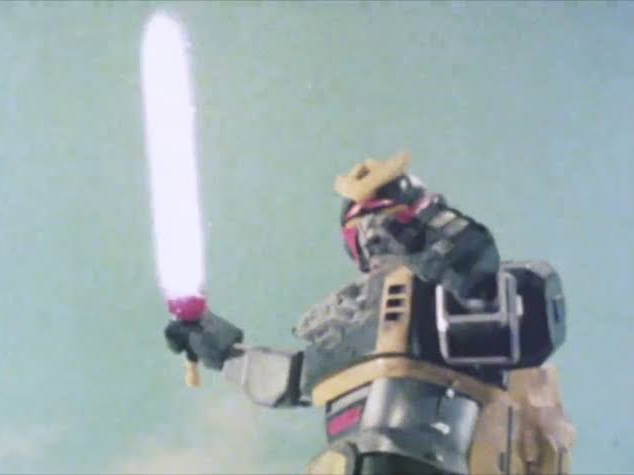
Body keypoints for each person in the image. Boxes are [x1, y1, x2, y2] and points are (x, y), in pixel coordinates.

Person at [164, 152, 574, 475]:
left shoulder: (448, 293)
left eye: (386, 219)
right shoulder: (346, 317)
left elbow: (496, 288)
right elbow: (294, 378)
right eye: (361, 227)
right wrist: (222, 351)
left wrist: (439, 238)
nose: (374, 236)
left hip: (423, 458)